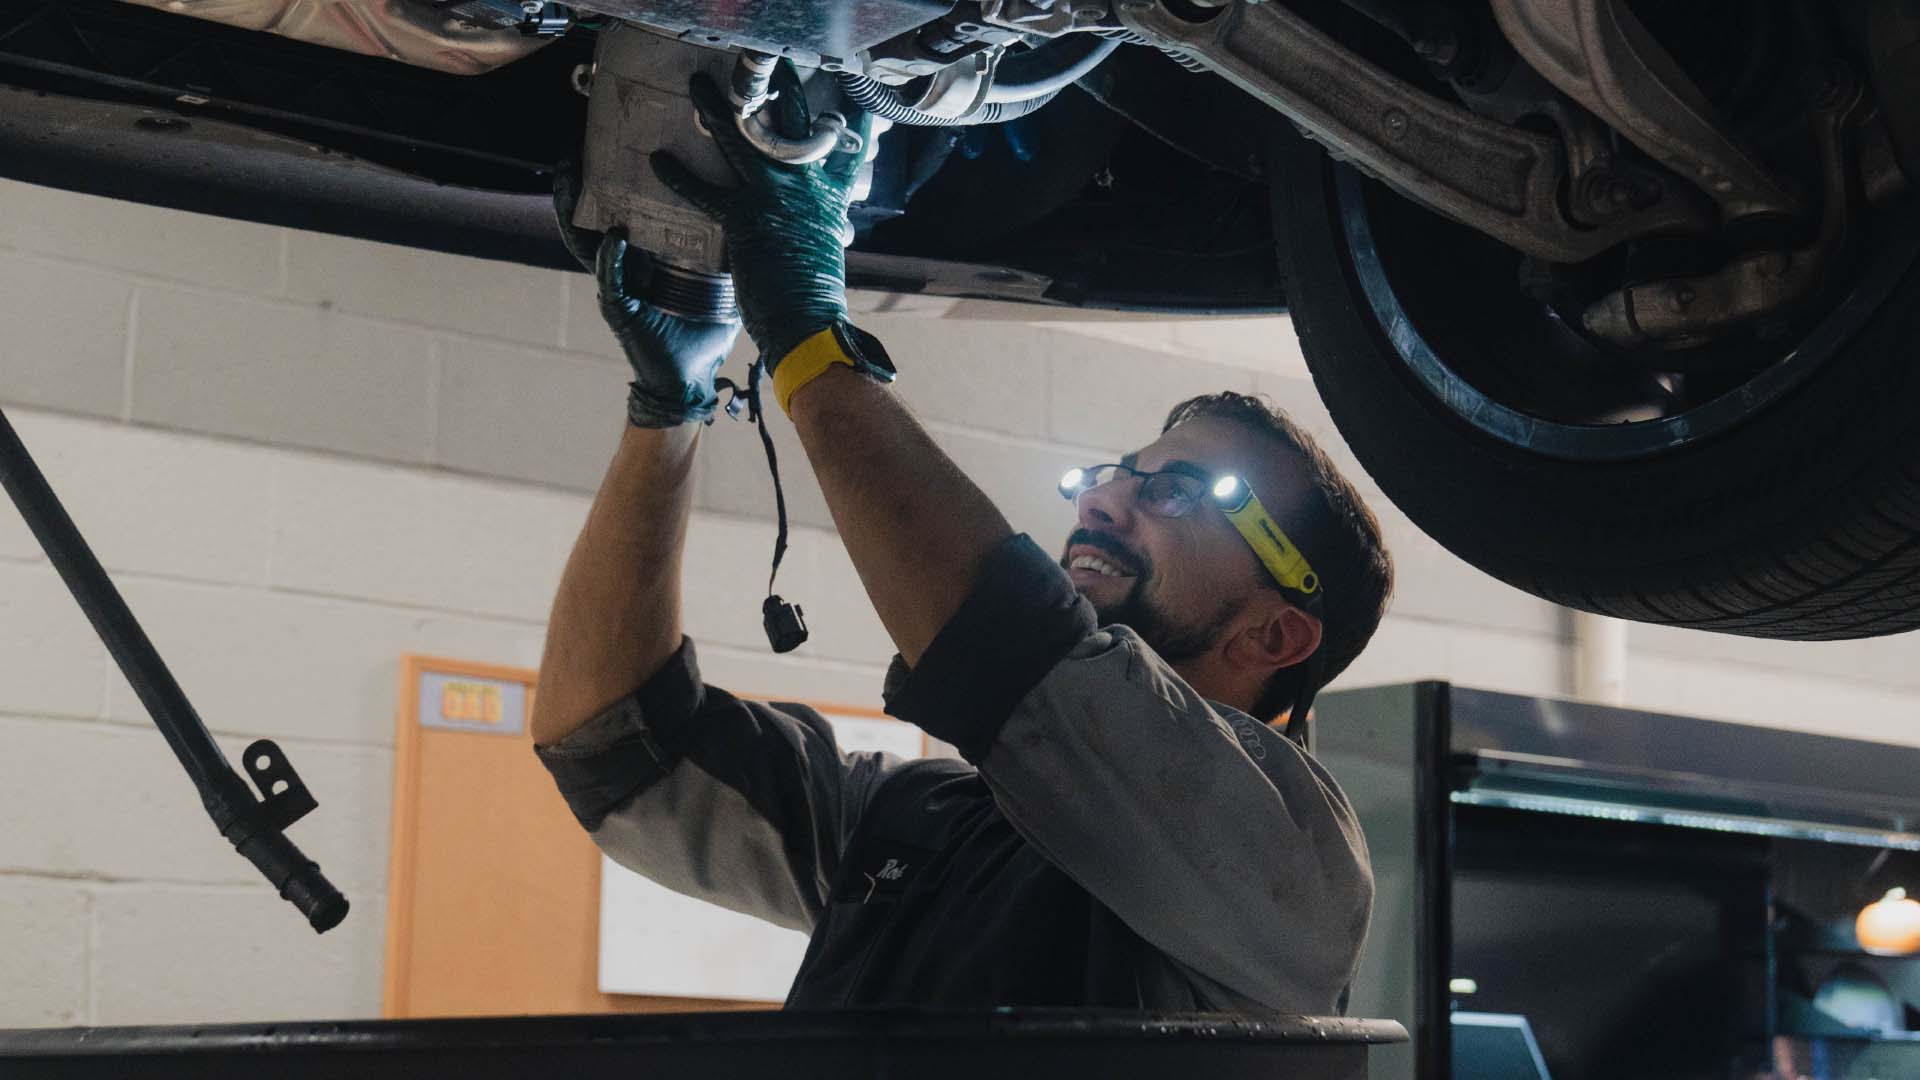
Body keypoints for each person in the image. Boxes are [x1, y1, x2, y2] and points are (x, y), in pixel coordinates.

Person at [531, 70, 1393, 1014]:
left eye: (1183, 492)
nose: (1103, 499)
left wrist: (809, 334)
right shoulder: (921, 823)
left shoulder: (1300, 869)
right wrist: (669, 412)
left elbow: (1011, 653)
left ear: (1276, 634)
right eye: (1115, 472)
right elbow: (619, 752)